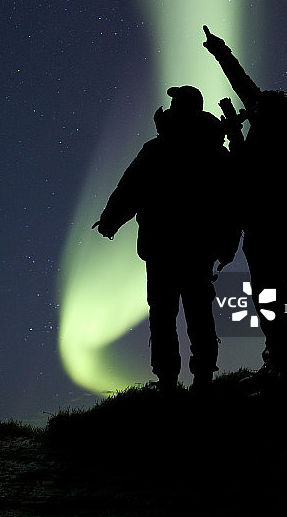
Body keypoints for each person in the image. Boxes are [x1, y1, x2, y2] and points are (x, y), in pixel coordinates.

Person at [93, 85, 241, 392]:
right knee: (197, 314)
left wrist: (111, 220)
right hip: (198, 248)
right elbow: (233, 203)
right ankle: (200, 378)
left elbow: (130, 188)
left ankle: (169, 381)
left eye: (176, 103)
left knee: (164, 315)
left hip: (162, 247)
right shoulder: (215, 152)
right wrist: (227, 244)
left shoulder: (157, 150)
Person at [202, 25, 287, 384]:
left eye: (258, 109)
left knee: (270, 296)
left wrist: (235, 139)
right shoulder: (278, 131)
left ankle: (282, 368)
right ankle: (278, 363)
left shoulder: (274, 138)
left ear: (270, 115)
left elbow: (248, 171)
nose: (251, 109)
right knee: (269, 296)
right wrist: (221, 52)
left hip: (269, 230)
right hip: (269, 228)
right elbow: (244, 85)